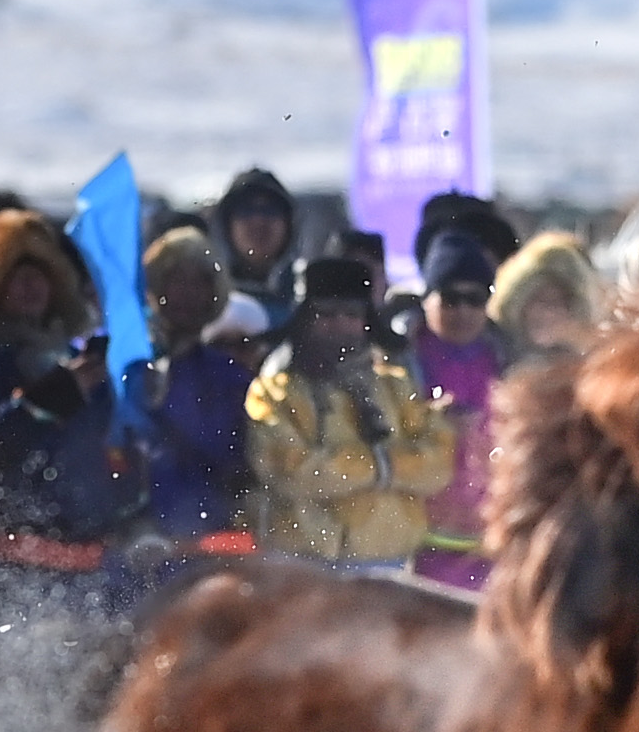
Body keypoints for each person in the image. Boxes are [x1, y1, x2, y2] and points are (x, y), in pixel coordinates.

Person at [0, 211, 137, 656]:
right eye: (17, 278)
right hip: (4, 565)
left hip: (80, 566)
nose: (30, 287)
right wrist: (59, 394)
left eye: (40, 277)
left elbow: (109, 449)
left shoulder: (79, 360)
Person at [245, 259, 452, 572]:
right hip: (302, 565)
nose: (339, 324)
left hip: (389, 561)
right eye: (326, 314)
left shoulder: (396, 387)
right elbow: (290, 471)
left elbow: (439, 464)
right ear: (304, 320)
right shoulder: (274, 392)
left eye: (352, 315)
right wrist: (382, 466)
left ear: (368, 322)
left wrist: (372, 467)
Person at [132, 226, 259, 565]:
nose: (187, 293)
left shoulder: (229, 376)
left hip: (204, 540)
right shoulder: (124, 364)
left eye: (199, 282)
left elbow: (235, 455)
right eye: (177, 280)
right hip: (129, 537)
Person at [403, 232, 508, 590]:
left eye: (474, 299)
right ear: (427, 299)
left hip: (488, 544)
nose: (462, 311)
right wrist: (432, 422)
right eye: (450, 299)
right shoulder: (402, 360)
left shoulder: (505, 358)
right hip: (420, 545)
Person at [212, 169, 301, 342]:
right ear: (226, 226)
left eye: (270, 210)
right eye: (246, 210)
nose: (259, 221)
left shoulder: (305, 294)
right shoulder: (208, 296)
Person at [490, 232, 605, 365]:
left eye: (556, 303)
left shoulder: (602, 363)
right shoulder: (494, 359)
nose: (546, 313)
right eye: (537, 300)